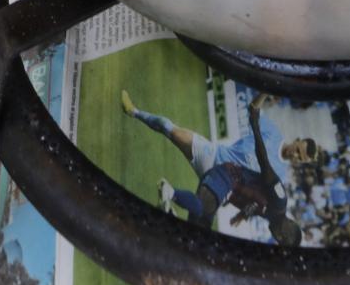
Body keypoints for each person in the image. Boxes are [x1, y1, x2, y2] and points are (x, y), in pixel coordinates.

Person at [122, 88, 312, 246]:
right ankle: (135, 111)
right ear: (297, 141)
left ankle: (169, 209)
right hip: (215, 158)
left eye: (300, 158)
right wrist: (264, 91)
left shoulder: (282, 176)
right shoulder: (273, 134)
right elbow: (254, 109)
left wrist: (243, 214)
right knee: (169, 129)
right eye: (298, 150)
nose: (295, 155)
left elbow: (258, 201)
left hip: (226, 185)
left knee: (197, 229)